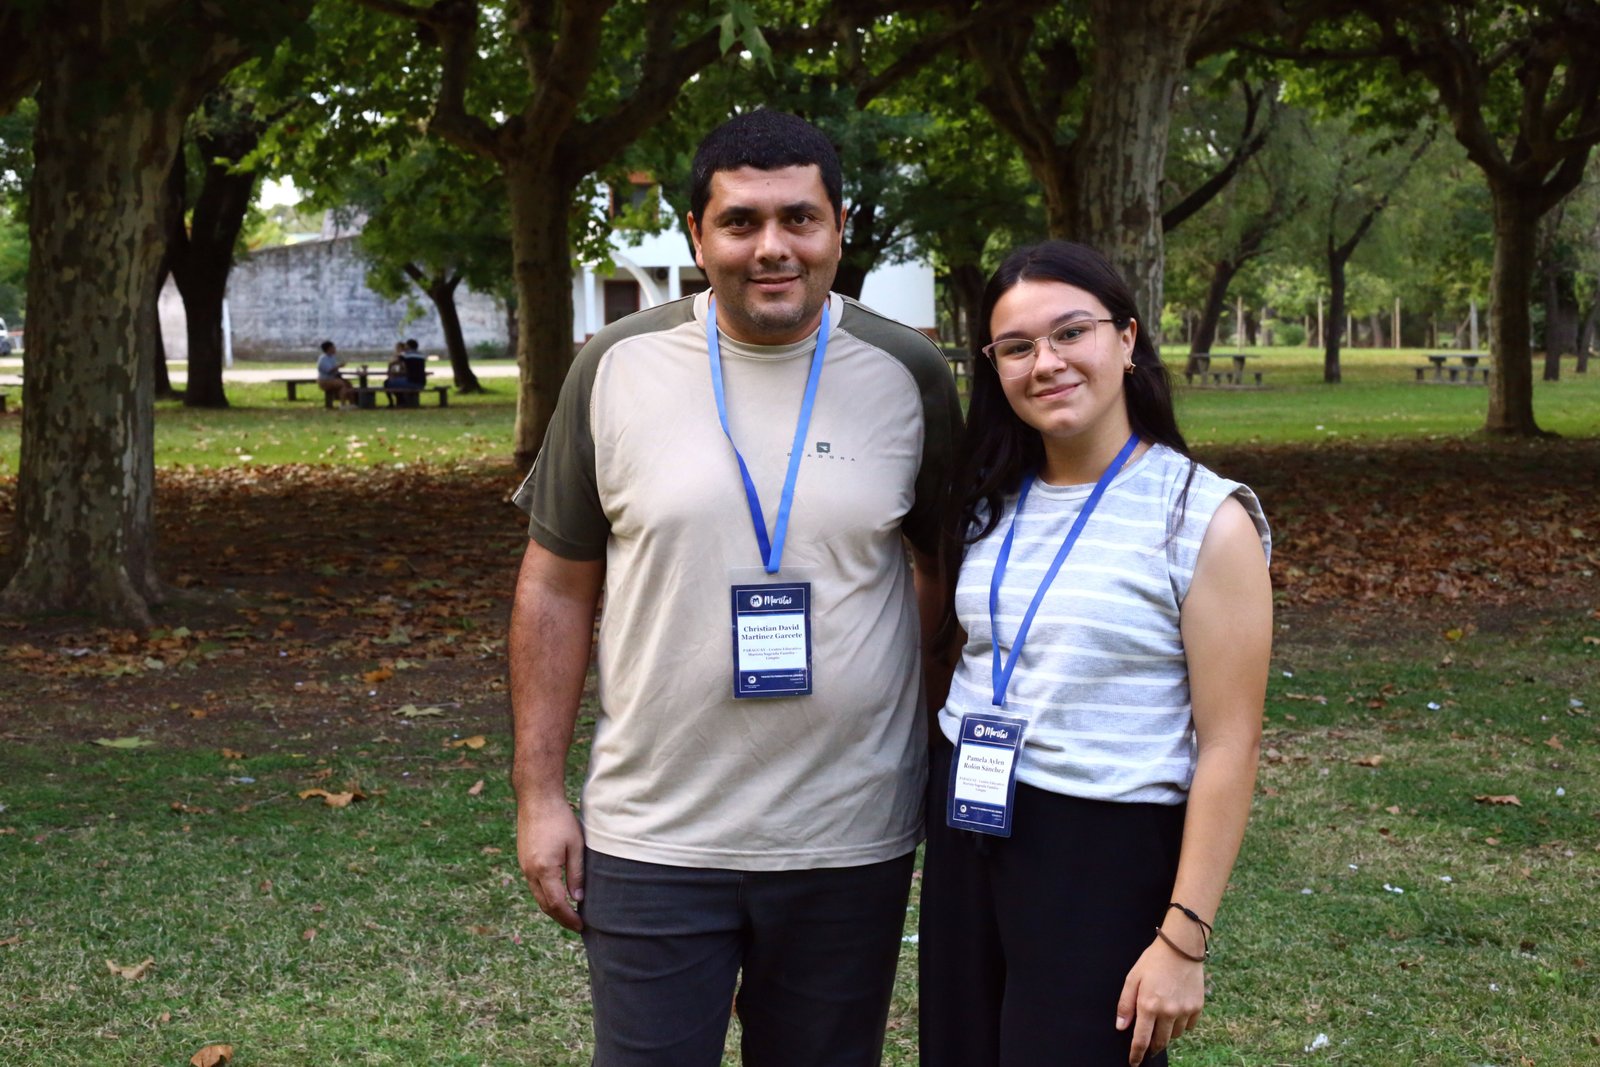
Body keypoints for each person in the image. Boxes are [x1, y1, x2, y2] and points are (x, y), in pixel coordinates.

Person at [508, 109, 961, 1066]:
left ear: (840, 227)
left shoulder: (908, 373)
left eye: (800, 218)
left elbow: (944, 572)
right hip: (655, 834)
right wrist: (538, 793)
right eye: (741, 221)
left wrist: (919, 743)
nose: (772, 248)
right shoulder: (613, 367)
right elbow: (555, 586)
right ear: (696, 234)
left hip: (848, 836)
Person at [918, 240, 1272, 1067]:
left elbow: (1231, 742)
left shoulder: (1202, 518)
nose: (1046, 363)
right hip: (971, 824)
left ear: (1127, 338)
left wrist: (1183, 939)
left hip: (1102, 847)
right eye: (1016, 347)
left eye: (1070, 332)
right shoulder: (988, 500)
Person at [315, 340, 357, 407]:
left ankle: (352, 403)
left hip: (332, 379)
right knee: (342, 385)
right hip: (325, 380)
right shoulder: (323, 359)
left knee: (348, 384)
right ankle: (342, 404)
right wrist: (339, 366)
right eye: (333, 347)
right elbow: (329, 370)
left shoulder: (332, 357)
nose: (335, 349)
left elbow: (334, 370)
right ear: (329, 349)